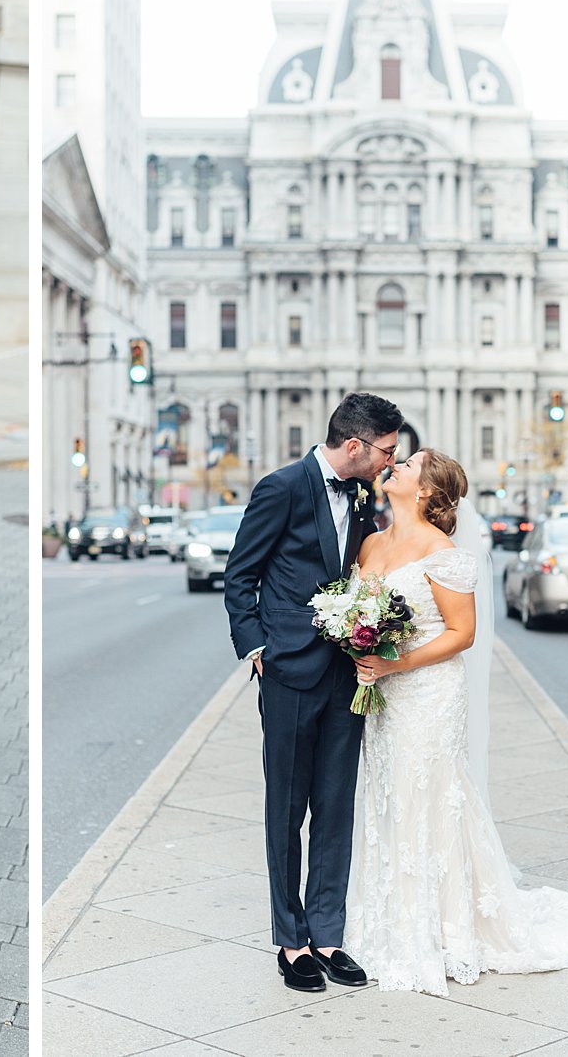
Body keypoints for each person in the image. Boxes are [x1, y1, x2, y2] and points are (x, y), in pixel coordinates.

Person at [342, 449, 568, 994]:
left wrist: (395, 662)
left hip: (428, 691)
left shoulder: (445, 554)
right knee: (390, 793)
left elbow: (463, 634)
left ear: (429, 492)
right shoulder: (370, 544)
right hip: (385, 692)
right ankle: (393, 917)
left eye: (409, 464)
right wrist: (360, 644)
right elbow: (360, 613)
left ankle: (445, 929)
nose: (398, 466)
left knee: (430, 793)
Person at [223, 392, 404, 993]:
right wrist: (258, 652)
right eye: (384, 451)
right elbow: (240, 576)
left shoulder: (359, 495)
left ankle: (328, 933)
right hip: (289, 673)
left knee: (336, 804)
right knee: (288, 808)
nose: (389, 461)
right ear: (354, 445)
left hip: (346, 671)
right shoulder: (281, 488)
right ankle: (290, 939)